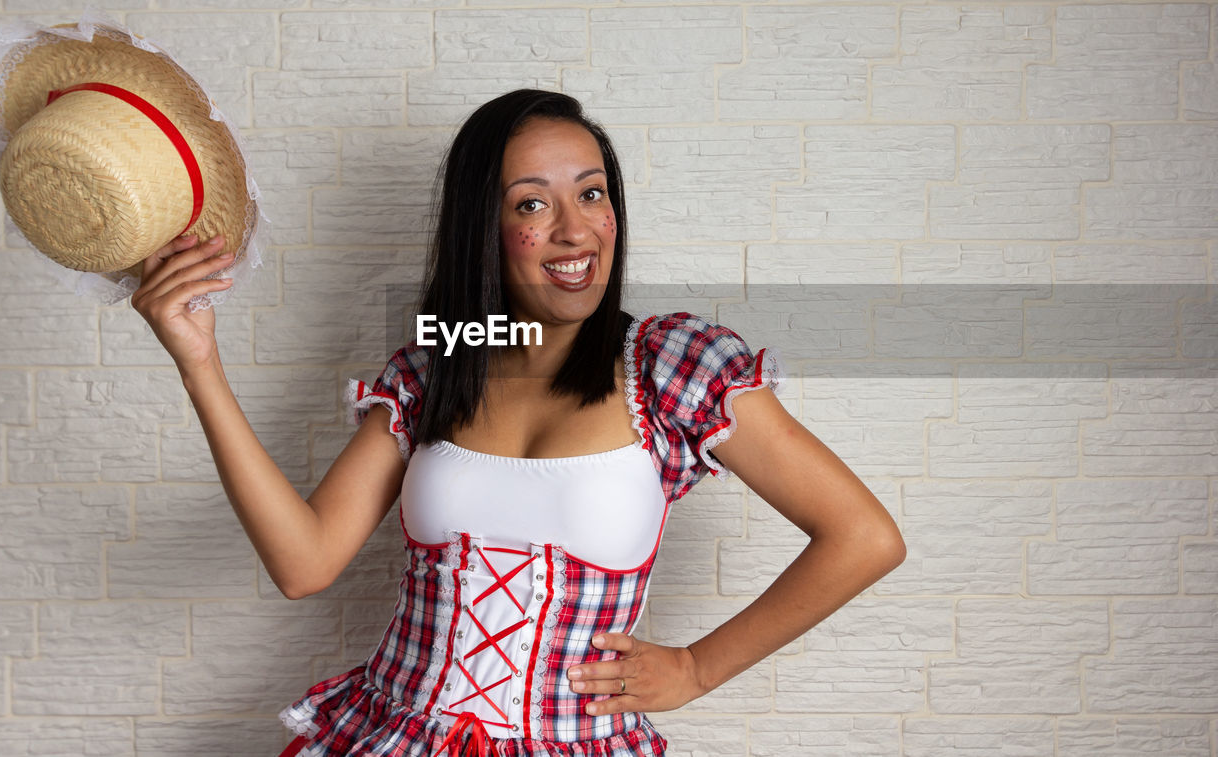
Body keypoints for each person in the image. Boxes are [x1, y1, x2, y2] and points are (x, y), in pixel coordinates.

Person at [133, 89, 906, 757]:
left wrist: (697, 667)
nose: (575, 230)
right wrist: (200, 360)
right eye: (532, 203)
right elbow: (303, 564)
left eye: (593, 193)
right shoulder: (438, 369)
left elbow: (864, 536)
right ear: (485, 228)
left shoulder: (670, 367)